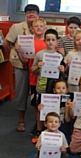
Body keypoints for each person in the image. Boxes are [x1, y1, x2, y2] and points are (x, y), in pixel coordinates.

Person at [3, 4, 40, 132]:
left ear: (38, 15)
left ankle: (38, 123)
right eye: (29, 12)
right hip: (21, 65)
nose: (31, 14)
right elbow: (6, 44)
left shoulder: (41, 27)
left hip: (38, 68)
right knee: (21, 93)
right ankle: (21, 120)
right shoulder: (17, 27)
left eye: (34, 12)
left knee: (38, 93)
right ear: (25, 14)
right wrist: (14, 55)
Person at [31, 29, 65, 142]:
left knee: (54, 109)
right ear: (45, 40)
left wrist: (62, 69)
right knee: (41, 109)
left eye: (53, 40)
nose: (50, 42)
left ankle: (53, 132)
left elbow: (64, 72)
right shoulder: (40, 54)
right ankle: (39, 131)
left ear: (57, 41)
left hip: (55, 87)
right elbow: (33, 70)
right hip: (42, 86)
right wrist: (38, 66)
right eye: (48, 40)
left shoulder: (59, 56)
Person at [14, 18, 47, 135]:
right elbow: (24, 62)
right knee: (35, 103)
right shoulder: (29, 41)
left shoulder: (48, 42)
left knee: (46, 102)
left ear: (45, 28)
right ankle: (37, 124)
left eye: (40, 26)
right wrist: (18, 52)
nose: (38, 28)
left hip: (46, 78)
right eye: (36, 26)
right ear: (32, 28)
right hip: (33, 77)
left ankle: (44, 125)